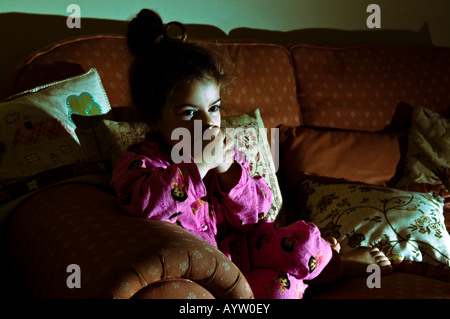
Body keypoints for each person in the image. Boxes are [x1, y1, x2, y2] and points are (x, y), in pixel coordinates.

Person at [111, 8, 393, 299]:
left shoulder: (226, 152)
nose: (208, 123)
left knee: (304, 243)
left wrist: (228, 171)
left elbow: (258, 213)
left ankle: (332, 265)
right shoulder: (140, 162)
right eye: (190, 112)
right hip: (208, 273)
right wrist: (197, 166)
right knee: (282, 291)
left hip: (249, 249)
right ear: (154, 118)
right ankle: (314, 275)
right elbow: (143, 207)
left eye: (215, 108)